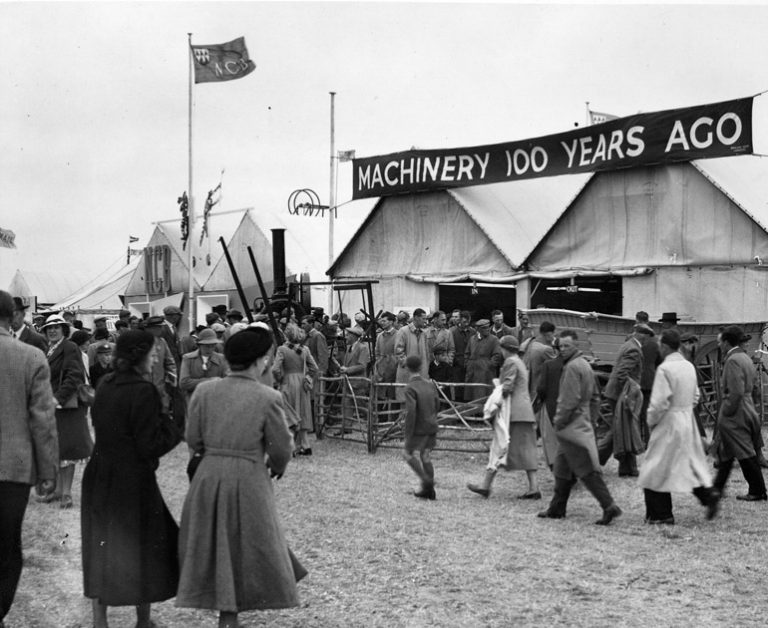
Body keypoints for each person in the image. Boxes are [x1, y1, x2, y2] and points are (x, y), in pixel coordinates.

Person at [176, 327, 306, 627]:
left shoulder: (205, 391)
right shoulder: (268, 397)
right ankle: (230, 615)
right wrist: (277, 465)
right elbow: (281, 448)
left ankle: (225, 610)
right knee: (247, 543)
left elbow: (192, 438)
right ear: (260, 361)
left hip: (208, 476)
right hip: (249, 477)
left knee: (215, 542)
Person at [81, 330, 182, 628]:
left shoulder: (106, 383)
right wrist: (172, 425)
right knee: (144, 545)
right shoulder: (144, 390)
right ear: (139, 356)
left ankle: (100, 622)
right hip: (133, 481)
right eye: (152, 354)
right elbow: (150, 444)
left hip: (100, 474)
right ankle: (143, 621)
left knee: (101, 544)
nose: (154, 360)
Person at [0, 290, 58, 627]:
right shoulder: (32, 357)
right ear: (14, 317)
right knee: (7, 544)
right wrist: (47, 470)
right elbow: (43, 419)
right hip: (13, 468)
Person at [538, 329, 622, 525]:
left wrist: (559, 421)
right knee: (561, 467)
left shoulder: (572, 368)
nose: (563, 349)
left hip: (571, 426)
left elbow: (569, 400)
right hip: (580, 423)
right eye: (561, 346)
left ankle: (609, 506)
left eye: (567, 346)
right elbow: (594, 398)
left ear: (576, 346)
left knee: (586, 470)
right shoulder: (584, 365)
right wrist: (590, 421)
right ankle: (557, 508)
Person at [637, 330, 720, 524]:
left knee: (655, 466)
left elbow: (659, 403)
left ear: (664, 346)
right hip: (686, 418)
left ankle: (660, 514)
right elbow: (696, 396)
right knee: (684, 461)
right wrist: (685, 409)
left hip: (668, 420)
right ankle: (707, 494)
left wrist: (651, 420)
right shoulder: (688, 366)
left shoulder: (665, 369)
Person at [467, 336, 540, 499]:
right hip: (524, 412)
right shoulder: (519, 361)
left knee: (499, 446)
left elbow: (507, 386)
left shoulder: (510, 362)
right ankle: (533, 488)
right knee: (526, 450)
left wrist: (494, 403)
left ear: (504, 348)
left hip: (513, 412)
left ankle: (486, 486)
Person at [39, 313, 92, 509]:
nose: (52, 330)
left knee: (67, 449)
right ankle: (58, 490)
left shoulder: (68, 347)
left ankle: (66, 494)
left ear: (64, 330)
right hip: (52, 405)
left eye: (56, 327)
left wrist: (57, 398)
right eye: (48, 328)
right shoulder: (49, 349)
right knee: (57, 450)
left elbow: (74, 375)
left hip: (66, 406)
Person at [712, 325, 768, 501]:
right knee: (728, 453)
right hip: (747, 405)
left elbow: (735, 391)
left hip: (737, 410)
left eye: (721, 342)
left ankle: (757, 490)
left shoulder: (733, 360)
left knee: (744, 451)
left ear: (727, 342)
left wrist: (726, 411)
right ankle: (716, 489)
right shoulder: (744, 357)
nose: (719, 345)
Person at [598, 323, 645, 477]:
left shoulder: (627, 345)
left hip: (616, 393)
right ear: (642, 335)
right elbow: (622, 374)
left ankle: (628, 468)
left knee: (623, 428)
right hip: (620, 394)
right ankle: (592, 460)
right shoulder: (634, 349)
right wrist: (631, 391)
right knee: (620, 429)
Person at [273, 324, 319, 455]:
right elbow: (314, 368)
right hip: (302, 382)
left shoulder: (282, 349)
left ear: (287, 335)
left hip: (288, 382)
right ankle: (305, 444)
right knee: (302, 412)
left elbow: (275, 369)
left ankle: (292, 446)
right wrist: (308, 378)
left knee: (290, 413)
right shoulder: (304, 349)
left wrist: (280, 379)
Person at [402, 355, 440, 500]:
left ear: (407, 368)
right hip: (431, 424)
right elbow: (437, 404)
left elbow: (411, 412)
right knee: (425, 455)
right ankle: (429, 492)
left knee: (407, 454)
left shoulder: (410, 387)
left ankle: (426, 481)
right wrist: (432, 418)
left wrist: (408, 432)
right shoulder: (430, 384)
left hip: (419, 427)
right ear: (420, 367)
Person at [524, 321, 558, 467]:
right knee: (540, 426)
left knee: (535, 426)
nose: (554, 337)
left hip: (531, 389)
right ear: (547, 334)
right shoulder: (545, 349)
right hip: (541, 392)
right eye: (553, 334)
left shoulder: (532, 345)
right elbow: (559, 364)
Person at [179, 328, 228, 402]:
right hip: (194, 401)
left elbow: (227, 381)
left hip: (215, 401)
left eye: (213, 346)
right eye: (207, 346)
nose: (210, 349)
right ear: (199, 345)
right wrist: (211, 381)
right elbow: (184, 383)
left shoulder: (221, 359)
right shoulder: (188, 358)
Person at [464, 319, 502, 401]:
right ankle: (472, 413)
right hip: (472, 371)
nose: (487, 329)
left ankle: (482, 413)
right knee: (471, 395)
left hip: (486, 374)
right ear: (478, 329)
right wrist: (468, 364)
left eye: (488, 327)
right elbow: (467, 353)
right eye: (484, 328)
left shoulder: (494, 339)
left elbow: (497, 355)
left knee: (484, 394)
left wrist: (488, 365)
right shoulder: (472, 339)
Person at [449, 311, 474, 401]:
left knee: (468, 390)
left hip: (469, 365)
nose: (466, 324)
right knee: (457, 390)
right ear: (459, 320)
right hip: (456, 366)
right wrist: (455, 361)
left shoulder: (473, 332)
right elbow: (449, 348)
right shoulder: (451, 332)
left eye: (468, 322)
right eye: (464, 322)